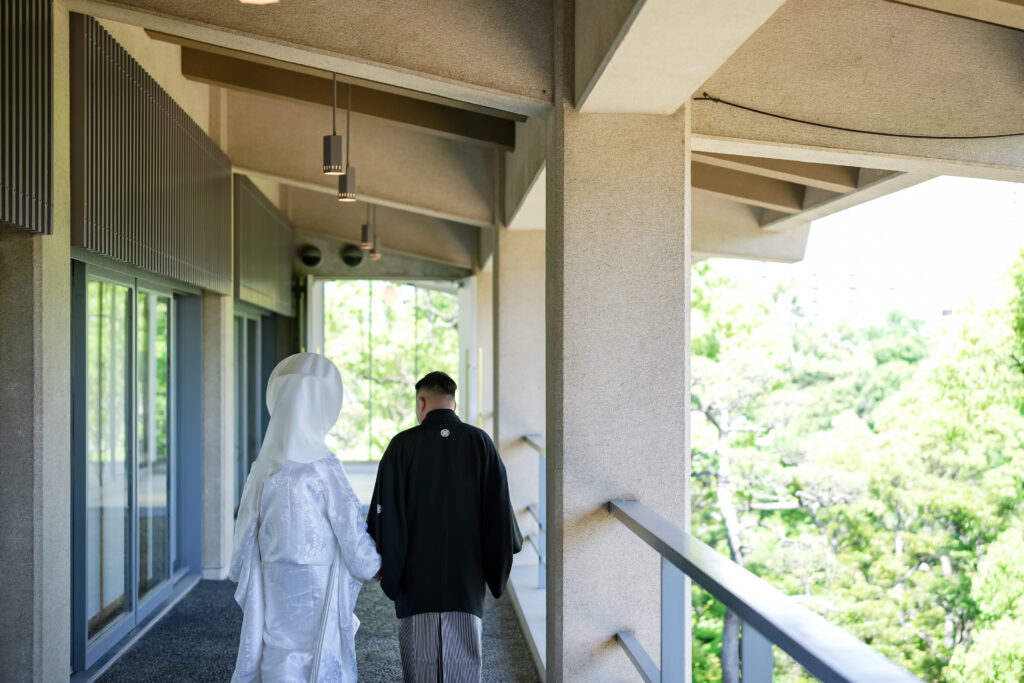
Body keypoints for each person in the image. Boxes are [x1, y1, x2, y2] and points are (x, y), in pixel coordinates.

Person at [229, 353, 381, 683]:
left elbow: (246, 524)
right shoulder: (325, 467)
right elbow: (349, 527)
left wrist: (238, 566)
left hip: (273, 571)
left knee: (276, 640)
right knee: (316, 647)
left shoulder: (263, 467)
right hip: (318, 575)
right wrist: (372, 565)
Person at [368, 371, 522, 683]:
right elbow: (499, 514)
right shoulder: (480, 442)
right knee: (464, 665)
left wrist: (380, 560)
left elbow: (387, 513)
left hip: (416, 582)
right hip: (465, 579)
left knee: (420, 666)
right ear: (454, 403)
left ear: (421, 402)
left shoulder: (402, 445)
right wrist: (494, 564)